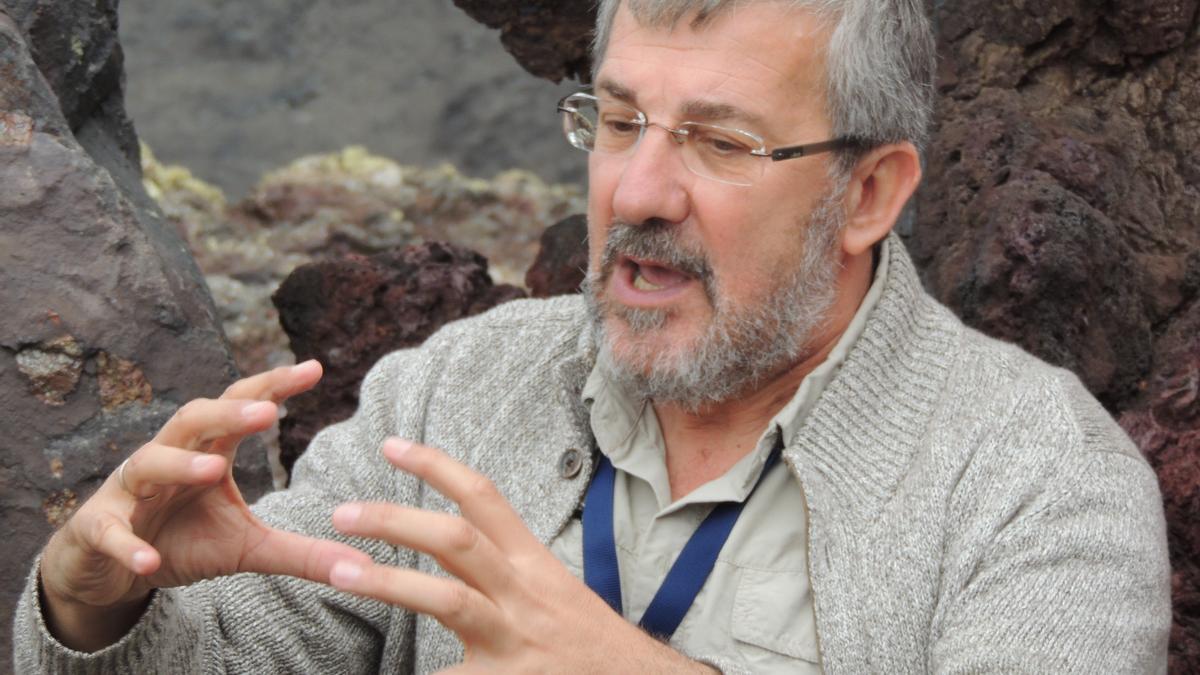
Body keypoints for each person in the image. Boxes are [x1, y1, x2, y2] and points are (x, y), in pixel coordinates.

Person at [14, 0, 1171, 672]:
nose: (641, 191)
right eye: (618, 121)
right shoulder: (459, 387)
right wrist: (100, 608)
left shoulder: (1039, 482)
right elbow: (233, 654)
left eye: (720, 143)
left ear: (869, 193)